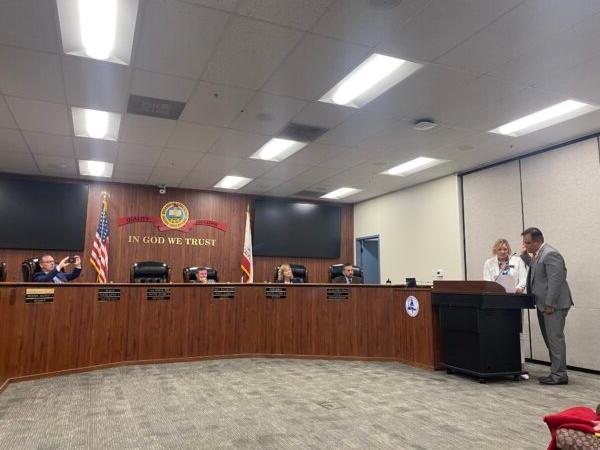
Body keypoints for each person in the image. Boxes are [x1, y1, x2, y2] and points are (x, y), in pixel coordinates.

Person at [521, 227, 573, 385]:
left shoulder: (551, 254)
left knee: (555, 339)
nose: (525, 246)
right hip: (544, 304)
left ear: (538, 241)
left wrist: (550, 304)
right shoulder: (539, 254)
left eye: (528, 243)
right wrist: (525, 258)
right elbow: (539, 270)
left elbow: (555, 281)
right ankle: (556, 372)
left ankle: (559, 375)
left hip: (553, 306)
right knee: (550, 340)